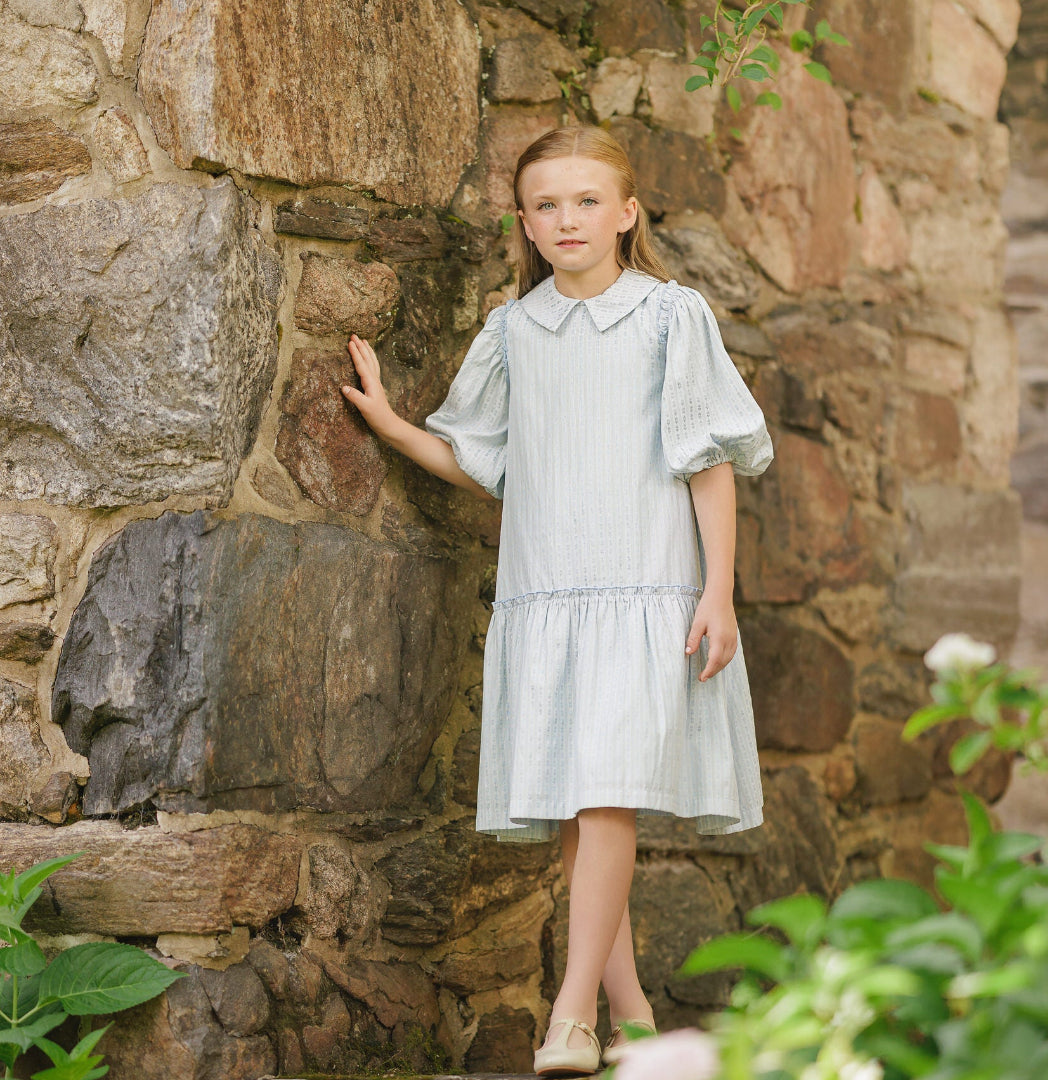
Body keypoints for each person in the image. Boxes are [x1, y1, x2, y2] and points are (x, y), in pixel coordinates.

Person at [340, 124, 774, 1078]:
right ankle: (642, 1030)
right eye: (546, 204)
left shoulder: (671, 316)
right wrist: (389, 423)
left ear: (626, 214)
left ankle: (570, 1015)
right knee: (579, 825)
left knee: (606, 799)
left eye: (587, 201)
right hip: (547, 595)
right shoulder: (511, 332)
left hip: (646, 590)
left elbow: (708, 462)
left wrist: (719, 591)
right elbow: (476, 458)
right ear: (525, 224)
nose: (566, 219)